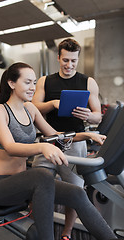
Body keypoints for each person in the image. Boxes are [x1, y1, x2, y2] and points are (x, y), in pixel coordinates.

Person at [0, 62, 116, 240]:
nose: (32, 88)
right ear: (11, 83)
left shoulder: (30, 109)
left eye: (34, 82)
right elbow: (10, 147)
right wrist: (42, 146)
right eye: (27, 82)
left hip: (23, 183)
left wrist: (86, 135)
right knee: (42, 174)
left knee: (77, 192)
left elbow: (54, 135)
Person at [32, 38, 102, 239]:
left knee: (74, 191)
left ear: (77, 59)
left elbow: (98, 115)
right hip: (48, 143)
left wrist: (89, 115)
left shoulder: (88, 82)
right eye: (65, 60)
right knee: (35, 185)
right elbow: (34, 107)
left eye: (73, 61)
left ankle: (67, 232)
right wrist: (53, 103)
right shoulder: (45, 81)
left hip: (76, 143)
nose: (69, 65)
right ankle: (36, 226)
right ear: (58, 58)